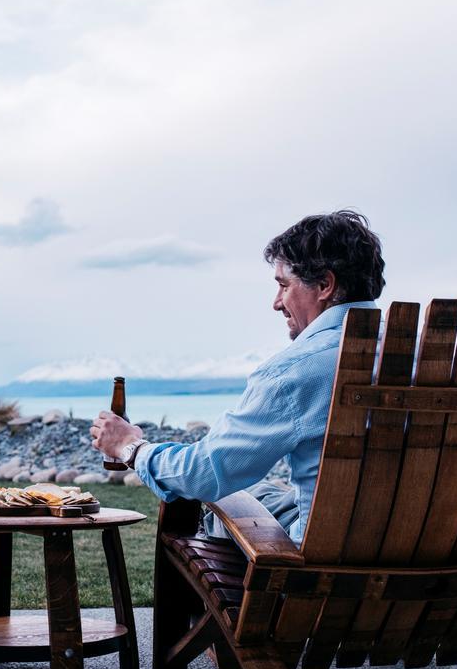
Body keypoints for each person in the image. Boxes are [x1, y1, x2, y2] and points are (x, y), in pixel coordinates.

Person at [90, 210, 386, 544]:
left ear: (324, 285)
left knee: (210, 500)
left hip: (325, 567)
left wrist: (130, 447)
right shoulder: (428, 362)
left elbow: (204, 473)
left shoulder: (298, 369)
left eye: (283, 286)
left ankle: (219, 596)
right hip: (434, 569)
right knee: (256, 491)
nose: (277, 303)